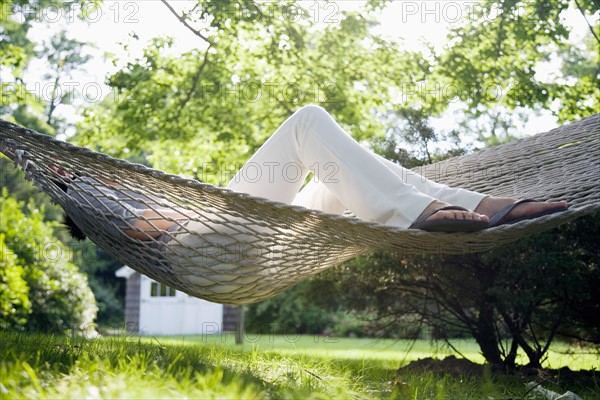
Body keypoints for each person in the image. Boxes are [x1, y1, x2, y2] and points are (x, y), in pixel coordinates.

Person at [59, 105, 567, 241]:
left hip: (243, 234)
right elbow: (149, 228)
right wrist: (70, 178)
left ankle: (474, 203)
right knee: (307, 122)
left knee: (343, 175)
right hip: (209, 235)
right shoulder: (90, 195)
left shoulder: (115, 187)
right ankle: (418, 211)